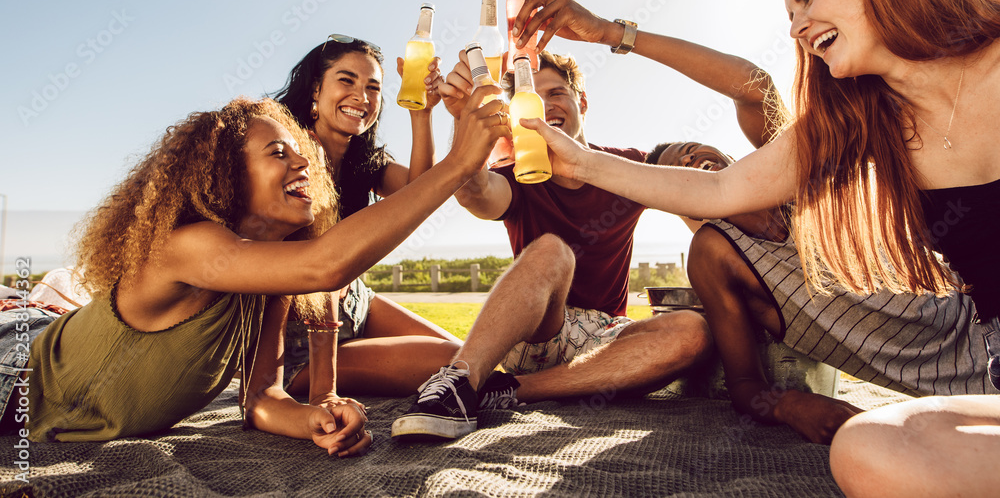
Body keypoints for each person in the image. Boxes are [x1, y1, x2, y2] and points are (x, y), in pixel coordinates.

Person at [505, 0, 1000, 496]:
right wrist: (582, 161)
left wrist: (612, 32)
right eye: (789, 12)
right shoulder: (855, 125)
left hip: (949, 329)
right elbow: (719, 191)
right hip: (985, 357)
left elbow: (751, 89)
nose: (795, 26)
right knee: (867, 450)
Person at [0, 92, 503, 450]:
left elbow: (261, 397)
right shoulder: (187, 247)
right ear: (225, 174)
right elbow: (326, 265)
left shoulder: (265, 284)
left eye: (302, 156)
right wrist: (456, 164)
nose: (304, 166)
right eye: (277, 153)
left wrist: (312, 418)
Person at [393, 40, 780, 440]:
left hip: (607, 339)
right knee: (551, 250)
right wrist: (463, 122)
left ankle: (508, 391)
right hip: (538, 328)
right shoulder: (518, 173)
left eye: (557, 93)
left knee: (693, 332)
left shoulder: (624, 166)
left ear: (583, 101)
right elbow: (475, 192)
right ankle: (462, 380)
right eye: (533, 97)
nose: (546, 105)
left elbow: (695, 206)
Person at [274, 35, 461, 398]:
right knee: (453, 362)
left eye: (373, 87)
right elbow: (319, 266)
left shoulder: (362, 160)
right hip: (300, 346)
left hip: (357, 303)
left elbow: (419, 194)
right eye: (347, 81)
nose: (362, 96)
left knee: (470, 356)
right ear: (316, 88)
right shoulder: (289, 158)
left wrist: (421, 112)